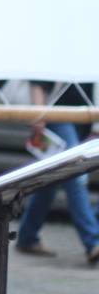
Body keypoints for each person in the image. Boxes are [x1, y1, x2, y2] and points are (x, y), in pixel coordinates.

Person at [14, 80, 99, 263]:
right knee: (74, 174)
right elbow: (39, 80)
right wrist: (39, 114)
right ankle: (93, 241)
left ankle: (27, 237)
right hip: (57, 115)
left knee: (50, 181)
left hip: (83, 118)